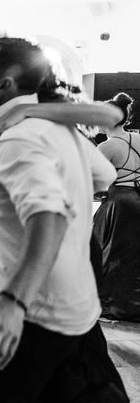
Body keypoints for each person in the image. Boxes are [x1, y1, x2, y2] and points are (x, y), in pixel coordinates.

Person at [0, 37, 127, 402]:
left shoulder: (18, 139)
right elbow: (104, 175)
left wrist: (13, 303)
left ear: (5, 85)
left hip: (30, 316)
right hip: (70, 307)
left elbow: (50, 216)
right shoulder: (55, 129)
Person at [93, 92, 140, 322]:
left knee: (110, 255)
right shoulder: (138, 139)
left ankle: (114, 304)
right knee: (133, 255)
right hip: (138, 198)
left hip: (118, 202)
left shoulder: (107, 146)